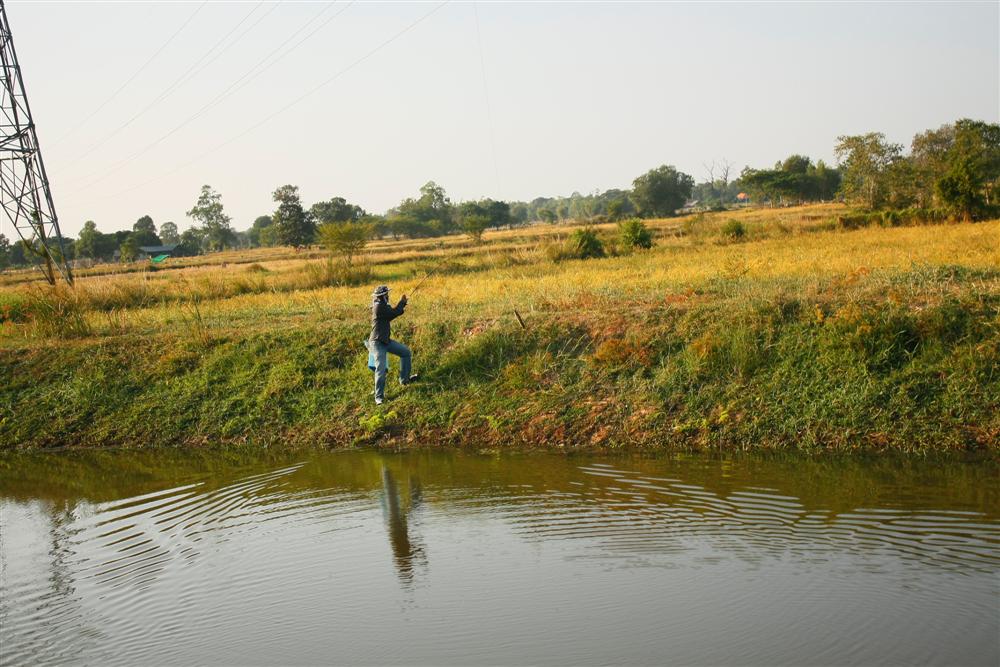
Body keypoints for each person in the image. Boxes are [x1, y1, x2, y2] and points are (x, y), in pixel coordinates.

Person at [369, 285, 418, 405]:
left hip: (385, 341)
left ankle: (405, 380)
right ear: (382, 296)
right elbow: (395, 313)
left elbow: (392, 314)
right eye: (387, 295)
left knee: (405, 352)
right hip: (377, 343)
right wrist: (402, 302)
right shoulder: (379, 307)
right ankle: (378, 397)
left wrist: (402, 304)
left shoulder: (383, 306)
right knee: (381, 369)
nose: (388, 296)